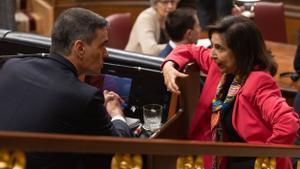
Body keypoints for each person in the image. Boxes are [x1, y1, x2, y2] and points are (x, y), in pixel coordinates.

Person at [162, 15, 299, 169]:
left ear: (240, 51)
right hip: (218, 155)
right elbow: (189, 49)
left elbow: (288, 123)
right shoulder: (220, 65)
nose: (213, 53)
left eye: (219, 48)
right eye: (213, 46)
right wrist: (169, 64)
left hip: (249, 162)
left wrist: (266, 159)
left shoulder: (259, 82)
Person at [0, 8, 131, 169]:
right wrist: (116, 113)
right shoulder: (84, 97)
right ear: (80, 48)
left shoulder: (12, 66)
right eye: (102, 45)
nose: (106, 54)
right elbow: (119, 149)